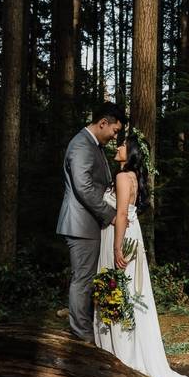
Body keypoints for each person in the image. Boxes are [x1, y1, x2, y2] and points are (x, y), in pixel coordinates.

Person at [95, 128, 189, 377]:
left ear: (129, 153)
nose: (117, 147)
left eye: (122, 145)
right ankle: (127, 350)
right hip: (132, 234)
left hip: (120, 236)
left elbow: (120, 214)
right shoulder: (133, 178)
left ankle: (120, 355)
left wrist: (117, 247)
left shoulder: (121, 176)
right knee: (130, 293)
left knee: (118, 290)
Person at [56, 102, 125, 342]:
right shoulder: (82, 145)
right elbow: (83, 186)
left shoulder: (93, 145)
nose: (115, 136)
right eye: (114, 131)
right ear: (102, 123)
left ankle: (87, 332)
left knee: (86, 279)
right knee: (82, 280)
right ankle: (81, 336)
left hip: (88, 224)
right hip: (80, 225)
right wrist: (110, 214)